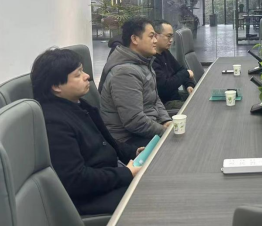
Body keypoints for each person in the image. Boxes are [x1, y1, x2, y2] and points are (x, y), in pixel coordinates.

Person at [30, 48, 142, 216]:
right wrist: (125, 173)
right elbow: (76, 179)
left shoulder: (79, 105)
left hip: (108, 177)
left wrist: (134, 152)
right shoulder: (53, 123)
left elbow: (107, 142)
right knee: (152, 194)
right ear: (56, 86)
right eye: (78, 74)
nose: (87, 76)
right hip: (90, 198)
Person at [100, 17, 172, 147]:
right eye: (151, 36)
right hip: (129, 140)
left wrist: (166, 120)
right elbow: (134, 121)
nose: (155, 41)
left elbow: (155, 99)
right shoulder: (125, 72)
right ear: (134, 39)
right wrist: (165, 132)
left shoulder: (143, 62)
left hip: (147, 130)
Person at [152, 20, 195, 110]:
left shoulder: (165, 52)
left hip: (176, 96)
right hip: (165, 104)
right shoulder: (151, 59)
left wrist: (189, 85)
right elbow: (166, 87)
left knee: (201, 97)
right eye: (168, 36)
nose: (171, 40)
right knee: (196, 107)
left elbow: (180, 69)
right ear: (156, 36)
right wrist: (186, 73)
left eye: (172, 36)